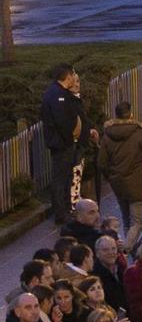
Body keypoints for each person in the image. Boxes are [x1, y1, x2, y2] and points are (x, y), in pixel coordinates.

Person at [97, 103, 142, 237]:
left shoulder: (107, 135)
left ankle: (130, 250)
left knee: (126, 219)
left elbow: (101, 163)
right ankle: (128, 249)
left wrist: (110, 177)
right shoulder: (139, 134)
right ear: (131, 114)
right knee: (138, 222)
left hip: (118, 183)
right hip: (137, 182)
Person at [38, 65, 87, 224]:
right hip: (62, 144)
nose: (75, 78)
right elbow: (62, 122)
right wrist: (70, 138)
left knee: (66, 176)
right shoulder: (57, 95)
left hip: (64, 143)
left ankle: (65, 209)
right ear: (68, 77)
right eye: (73, 75)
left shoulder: (60, 93)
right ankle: (61, 213)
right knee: (60, 178)